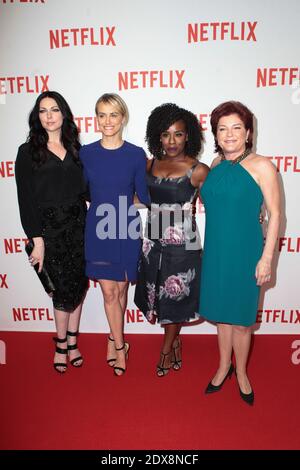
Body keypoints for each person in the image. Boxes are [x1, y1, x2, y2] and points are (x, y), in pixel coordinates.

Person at [199, 101, 281, 405]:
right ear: (216, 134)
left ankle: (242, 372)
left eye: (236, 128)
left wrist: (267, 258)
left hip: (247, 253)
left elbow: (276, 215)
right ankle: (223, 367)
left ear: (248, 132)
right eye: (223, 129)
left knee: (242, 321)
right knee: (222, 316)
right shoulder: (217, 166)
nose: (229, 134)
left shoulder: (262, 166)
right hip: (217, 251)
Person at [15, 91, 88, 374]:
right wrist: (37, 240)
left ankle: (73, 342)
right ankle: (60, 344)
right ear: (37, 116)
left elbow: (87, 189)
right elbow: (25, 198)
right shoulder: (27, 151)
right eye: (43, 110)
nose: (49, 115)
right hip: (49, 230)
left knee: (78, 286)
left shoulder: (75, 148)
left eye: (54, 109)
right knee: (60, 290)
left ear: (64, 114)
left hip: (79, 226)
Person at [134, 103, 209, 376]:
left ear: (188, 135)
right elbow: (137, 199)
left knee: (175, 296)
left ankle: (165, 350)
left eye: (178, 134)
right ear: (158, 136)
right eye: (166, 134)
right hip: (153, 241)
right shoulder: (149, 164)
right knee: (161, 299)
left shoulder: (198, 169)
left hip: (183, 245)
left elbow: (218, 203)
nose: (172, 141)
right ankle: (175, 342)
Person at [79, 93, 150, 376]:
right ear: (96, 119)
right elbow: (83, 190)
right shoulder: (86, 153)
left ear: (123, 118)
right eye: (102, 115)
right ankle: (121, 348)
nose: (107, 121)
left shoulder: (135, 154)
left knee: (121, 289)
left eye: (113, 115)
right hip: (98, 225)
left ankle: (112, 336)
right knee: (109, 291)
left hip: (126, 225)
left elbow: (143, 195)